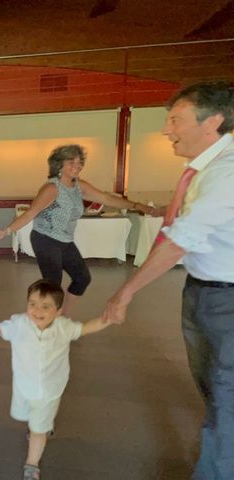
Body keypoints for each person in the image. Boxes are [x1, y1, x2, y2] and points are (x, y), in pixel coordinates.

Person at [103, 81, 234, 480]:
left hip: (228, 302)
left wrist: (126, 291)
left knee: (227, 398)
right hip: (201, 291)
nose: (166, 130)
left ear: (212, 121)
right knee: (215, 390)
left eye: (175, 120)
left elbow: (181, 240)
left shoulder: (227, 171)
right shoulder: (202, 170)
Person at [0, 144, 154, 317]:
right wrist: (5, 231)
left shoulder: (79, 186)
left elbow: (106, 198)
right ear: (59, 164)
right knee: (53, 284)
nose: (77, 166)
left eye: (80, 163)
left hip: (65, 240)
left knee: (82, 278)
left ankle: (61, 315)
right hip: (45, 239)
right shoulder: (52, 188)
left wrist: (137, 206)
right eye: (71, 162)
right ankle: (45, 320)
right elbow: (31, 213)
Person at [0, 279, 110, 480]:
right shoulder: (19, 323)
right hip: (23, 385)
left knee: (38, 430)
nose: (37, 310)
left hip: (50, 389)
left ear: (59, 310)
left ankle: (31, 464)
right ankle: (39, 426)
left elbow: (86, 327)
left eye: (45, 306)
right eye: (32, 304)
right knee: (27, 416)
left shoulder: (64, 327)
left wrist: (108, 319)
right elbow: (1, 329)